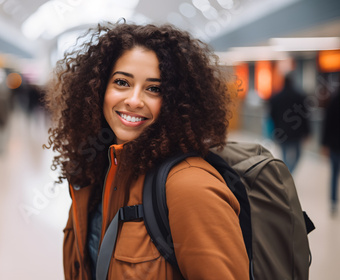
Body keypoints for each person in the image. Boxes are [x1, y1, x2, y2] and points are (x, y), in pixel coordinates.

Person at [44, 22, 248, 279]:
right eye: (121, 82)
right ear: (98, 89)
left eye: (154, 88)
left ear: (177, 101)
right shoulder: (97, 169)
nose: (134, 100)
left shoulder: (190, 187)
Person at [269, 74, 310, 173]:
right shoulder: (299, 96)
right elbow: (305, 116)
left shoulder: (276, 98)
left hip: (281, 131)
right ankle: (289, 173)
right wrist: (307, 132)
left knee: (284, 155)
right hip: (296, 132)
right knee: (298, 155)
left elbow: (271, 116)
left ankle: (287, 173)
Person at [321, 87, 340, 215]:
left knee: (334, 174)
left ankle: (333, 203)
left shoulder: (333, 100)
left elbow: (327, 124)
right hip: (334, 144)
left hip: (334, 144)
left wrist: (324, 144)